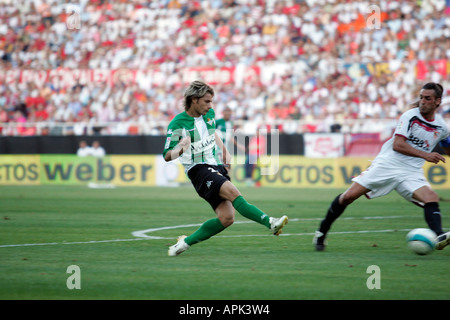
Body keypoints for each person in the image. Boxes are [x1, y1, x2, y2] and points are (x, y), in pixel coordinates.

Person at [314, 82, 450, 251]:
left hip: (411, 171)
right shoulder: (410, 116)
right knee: (348, 197)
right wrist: (426, 155)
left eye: (427, 98)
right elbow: (398, 145)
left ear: (437, 101)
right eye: (421, 97)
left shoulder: (442, 127)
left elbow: (447, 146)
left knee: (431, 198)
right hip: (388, 164)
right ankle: (321, 232)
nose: (422, 101)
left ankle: (439, 236)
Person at [163, 80, 288, 256]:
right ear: (194, 100)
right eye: (206, 101)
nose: (210, 105)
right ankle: (270, 222)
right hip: (198, 170)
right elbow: (167, 155)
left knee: (227, 218)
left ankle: (184, 243)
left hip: (215, 165)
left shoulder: (209, 114)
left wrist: (225, 152)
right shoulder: (178, 124)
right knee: (233, 192)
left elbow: (212, 132)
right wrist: (181, 148)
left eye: (211, 101)